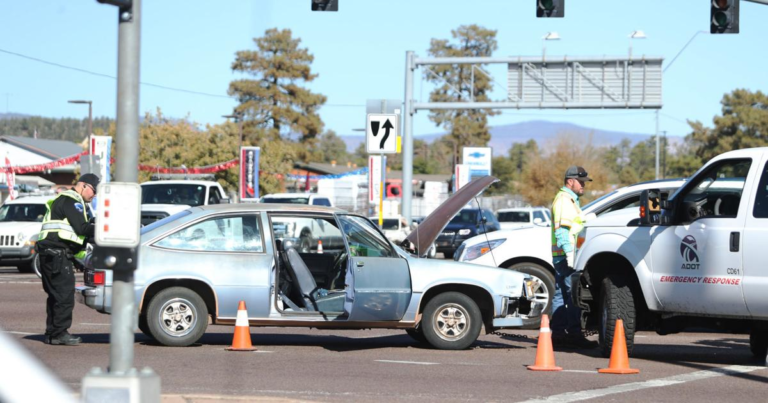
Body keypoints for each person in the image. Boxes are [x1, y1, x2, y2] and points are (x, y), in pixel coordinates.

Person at [37, 173, 99, 346]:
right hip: (57, 255)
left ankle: (52, 333)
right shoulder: (73, 201)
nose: (94, 195)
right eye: (94, 191)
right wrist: (103, 229)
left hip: (51, 254)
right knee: (64, 295)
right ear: (84, 185)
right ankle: (59, 333)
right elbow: (82, 228)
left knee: (55, 296)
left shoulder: (67, 200)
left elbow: (75, 232)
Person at [550, 166, 597, 349]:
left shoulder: (569, 199)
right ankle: (574, 334)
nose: (583, 185)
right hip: (566, 255)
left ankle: (559, 334)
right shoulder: (564, 200)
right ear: (570, 181)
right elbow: (561, 230)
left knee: (561, 295)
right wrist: (570, 253)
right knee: (574, 296)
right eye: (581, 181)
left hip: (561, 255)